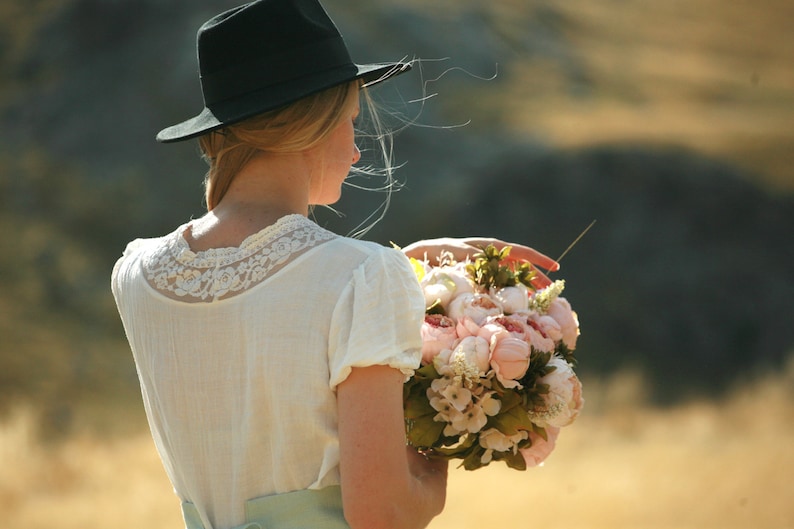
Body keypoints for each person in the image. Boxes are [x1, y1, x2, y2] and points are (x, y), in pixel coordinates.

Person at [111, 1, 558, 529]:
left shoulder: (137, 273)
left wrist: (402, 266)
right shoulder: (359, 279)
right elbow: (382, 514)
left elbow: (258, 311)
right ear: (312, 125)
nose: (357, 153)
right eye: (350, 123)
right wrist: (449, 428)